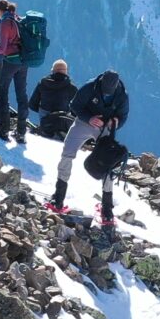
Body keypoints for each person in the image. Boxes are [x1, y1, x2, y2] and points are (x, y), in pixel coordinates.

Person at [50, 67, 130, 227]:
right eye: (105, 90)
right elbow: (74, 106)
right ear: (101, 83)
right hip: (84, 123)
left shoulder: (122, 95)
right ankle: (58, 198)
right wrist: (89, 118)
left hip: (104, 128)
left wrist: (115, 122)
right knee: (68, 152)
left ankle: (107, 211)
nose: (107, 93)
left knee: (107, 164)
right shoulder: (90, 87)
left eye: (110, 91)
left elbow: (123, 116)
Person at [0, 0, 28, 143]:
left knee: (2, 92)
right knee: (21, 95)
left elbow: (2, 49)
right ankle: (21, 132)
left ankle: (3, 129)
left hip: (10, 61)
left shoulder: (5, 22)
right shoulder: (18, 19)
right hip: (23, 61)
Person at [30, 59, 78, 139]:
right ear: (65, 71)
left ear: (53, 70)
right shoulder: (72, 87)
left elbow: (32, 104)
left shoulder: (42, 83)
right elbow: (77, 107)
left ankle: (45, 129)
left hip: (45, 117)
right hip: (63, 119)